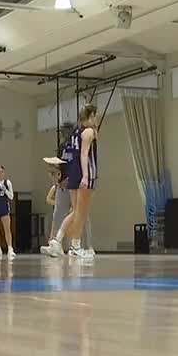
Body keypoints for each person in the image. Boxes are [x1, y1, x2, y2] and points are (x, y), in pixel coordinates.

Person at [44, 104, 100, 259]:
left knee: (76, 211)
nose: (96, 118)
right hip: (84, 173)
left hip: (73, 173)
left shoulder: (76, 132)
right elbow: (84, 154)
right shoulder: (88, 132)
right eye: (95, 115)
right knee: (81, 212)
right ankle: (75, 245)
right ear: (90, 116)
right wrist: (86, 176)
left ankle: (58, 240)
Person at [44, 162, 94, 257]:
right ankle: (55, 243)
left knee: (81, 214)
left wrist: (85, 177)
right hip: (66, 181)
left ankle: (85, 247)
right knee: (59, 214)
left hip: (78, 180)